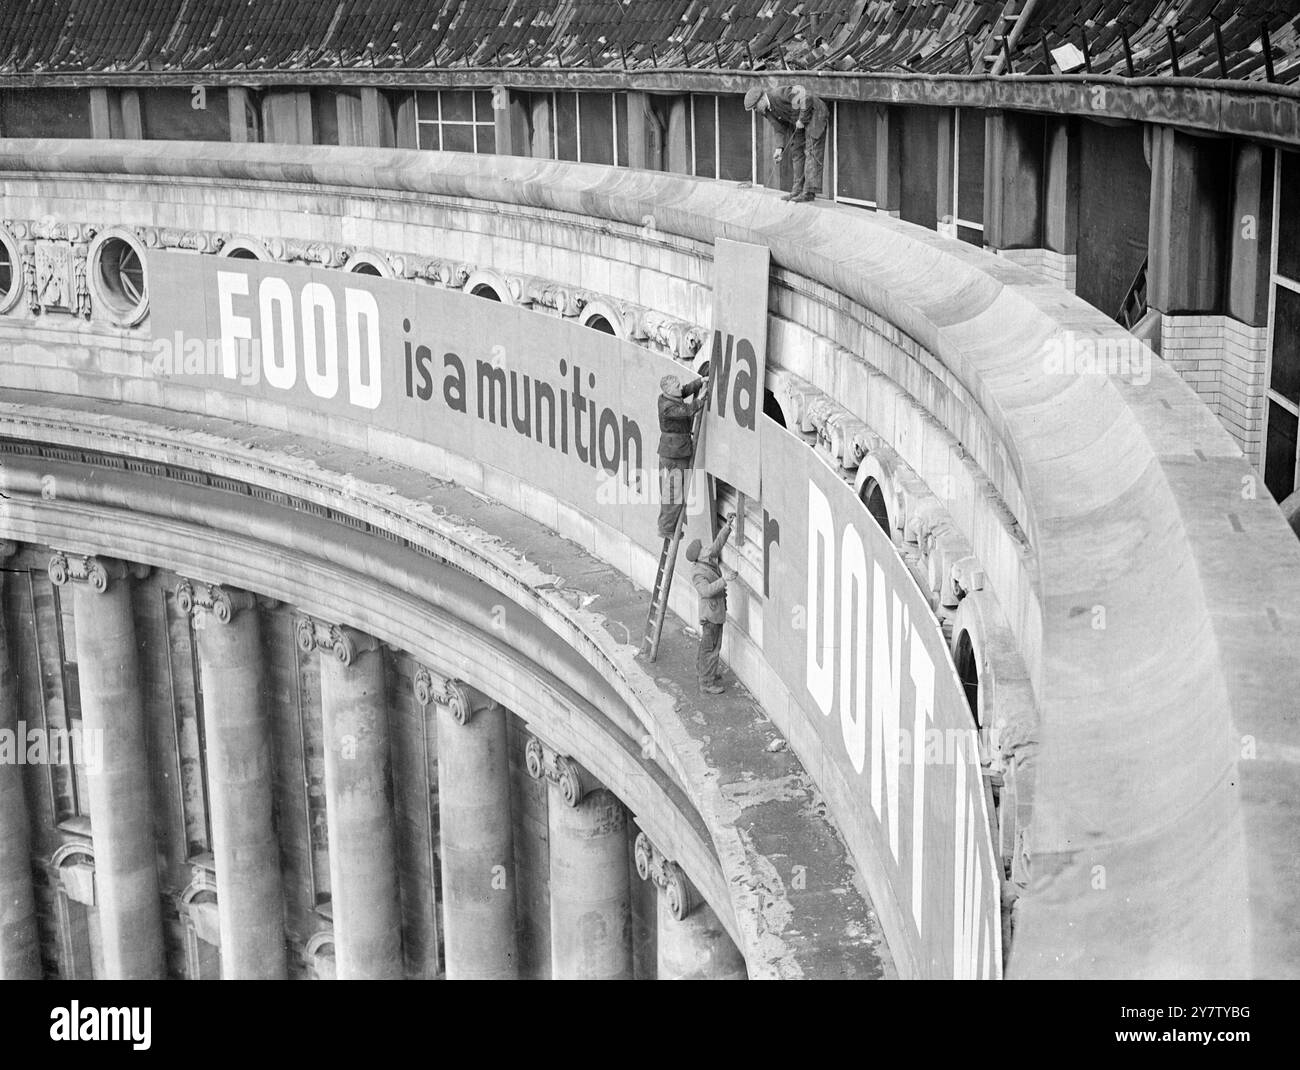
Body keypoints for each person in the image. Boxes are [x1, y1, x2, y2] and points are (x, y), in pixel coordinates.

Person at [743, 85, 829, 203]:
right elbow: (779, 129)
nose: (755, 110)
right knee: (796, 151)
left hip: (814, 113)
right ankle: (797, 190)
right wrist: (779, 148)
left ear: (761, 100)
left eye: (754, 107)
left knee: (812, 151)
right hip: (798, 121)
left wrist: (802, 120)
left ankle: (809, 192)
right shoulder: (766, 111)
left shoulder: (780, 94)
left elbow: (806, 98)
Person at [686, 516, 736, 694]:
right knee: (711, 648)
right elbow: (706, 591)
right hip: (711, 616)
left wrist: (727, 526)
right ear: (699, 555)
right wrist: (725, 580)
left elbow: (717, 545)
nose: (706, 547)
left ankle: (706, 673)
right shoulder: (698, 573)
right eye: (702, 548)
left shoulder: (707, 558)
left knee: (708, 646)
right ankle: (707, 683)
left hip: (715, 613)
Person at [656, 373, 707, 539]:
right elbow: (686, 411)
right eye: (677, 386)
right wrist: (700, 399)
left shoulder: (668, 397)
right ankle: (666, 529)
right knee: (674, 493)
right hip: (675, 454)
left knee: (674, 492)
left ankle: (667, 526)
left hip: (675, 451)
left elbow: (684, 391)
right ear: (669, 391)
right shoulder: (668, 408)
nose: (681, 387)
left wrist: (700, 382)